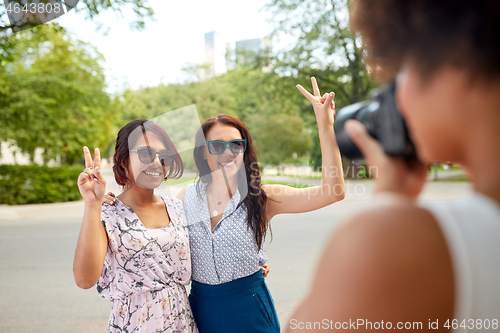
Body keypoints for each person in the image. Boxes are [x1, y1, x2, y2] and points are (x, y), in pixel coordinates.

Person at [286, 1, 500, 331]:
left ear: (458, 63)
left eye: (402, 70)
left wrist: (390, 199)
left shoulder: (397, 243)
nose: (397, 96)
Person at [174, 78, 345, 333]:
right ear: (202, 152)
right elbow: (149, 231)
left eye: (236, 144)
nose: (228, 152)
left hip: (249, 310)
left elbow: (333, 192)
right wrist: (106, 202)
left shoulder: (261, 197)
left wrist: (325, 126)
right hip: (201, 310)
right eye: (217, 145)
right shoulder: (184, 198)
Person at [73, 119, 198, 332]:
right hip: (136, 324)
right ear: (122, 161)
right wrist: (92, 204)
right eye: (146, 154)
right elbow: (84, 279)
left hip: (183, 323)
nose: (157, 162)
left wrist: (248, 268)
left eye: (164, 156)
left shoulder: (177, 207)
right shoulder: (108, 213)